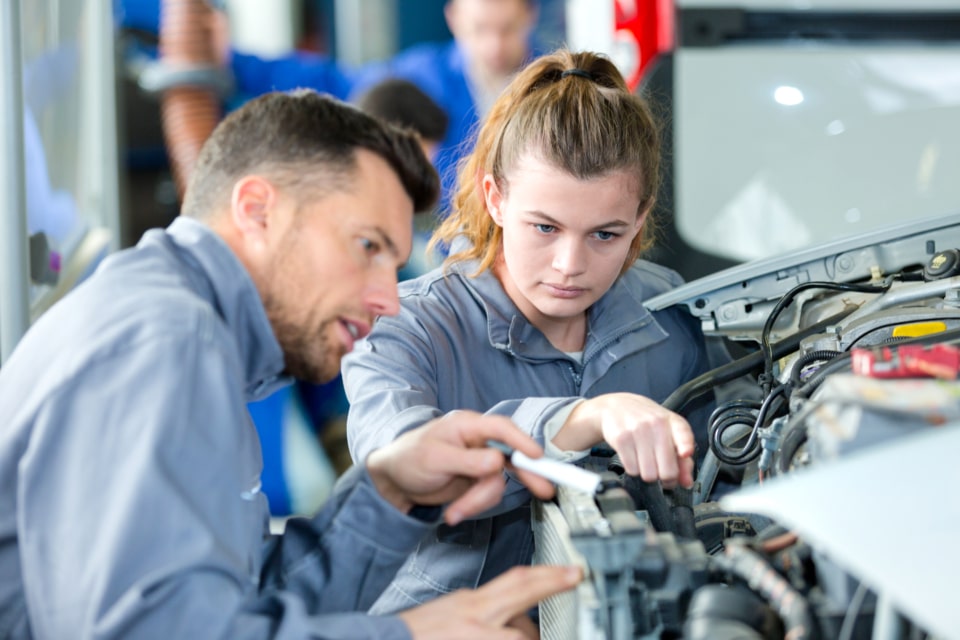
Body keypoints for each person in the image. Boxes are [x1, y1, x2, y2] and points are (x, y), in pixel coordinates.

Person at [0, 89, 582, 638]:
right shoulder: (160, 342)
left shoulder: (190, 340)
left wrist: (387, 494)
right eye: (367, 247)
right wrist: (408, 633)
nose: (386, 299)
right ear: (258, 210)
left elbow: (243, 606)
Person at [341, 49, 715, 616]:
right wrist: (575, 420)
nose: (570, 263)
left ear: (640, 218)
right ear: (495, 198)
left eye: (606, 235)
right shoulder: (402, 325)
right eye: (544, 226)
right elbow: (396, 462)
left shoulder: (671, 316)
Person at [350, 0, 539, 213]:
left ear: (530, 16)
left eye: (508, 28)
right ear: (453, 19)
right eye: (479, 29)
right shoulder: (417, 77)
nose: (494, 46)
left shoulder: (553, 85)